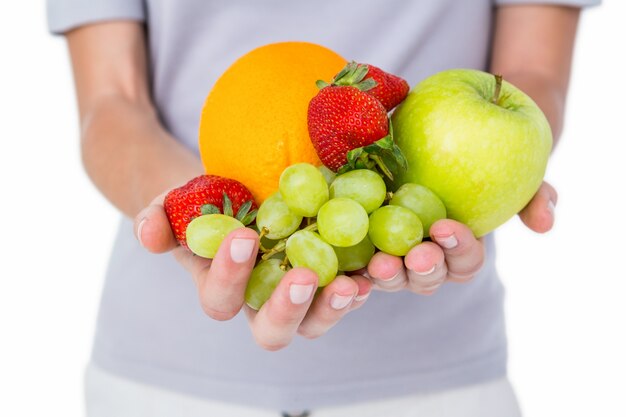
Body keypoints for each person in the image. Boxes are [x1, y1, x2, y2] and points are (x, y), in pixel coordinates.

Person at [48, 0, 598, 416]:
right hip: (162, 378)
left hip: (436, 379)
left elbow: (533, 77)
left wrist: (510, 162)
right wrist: (193, 211)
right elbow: (111, 102)